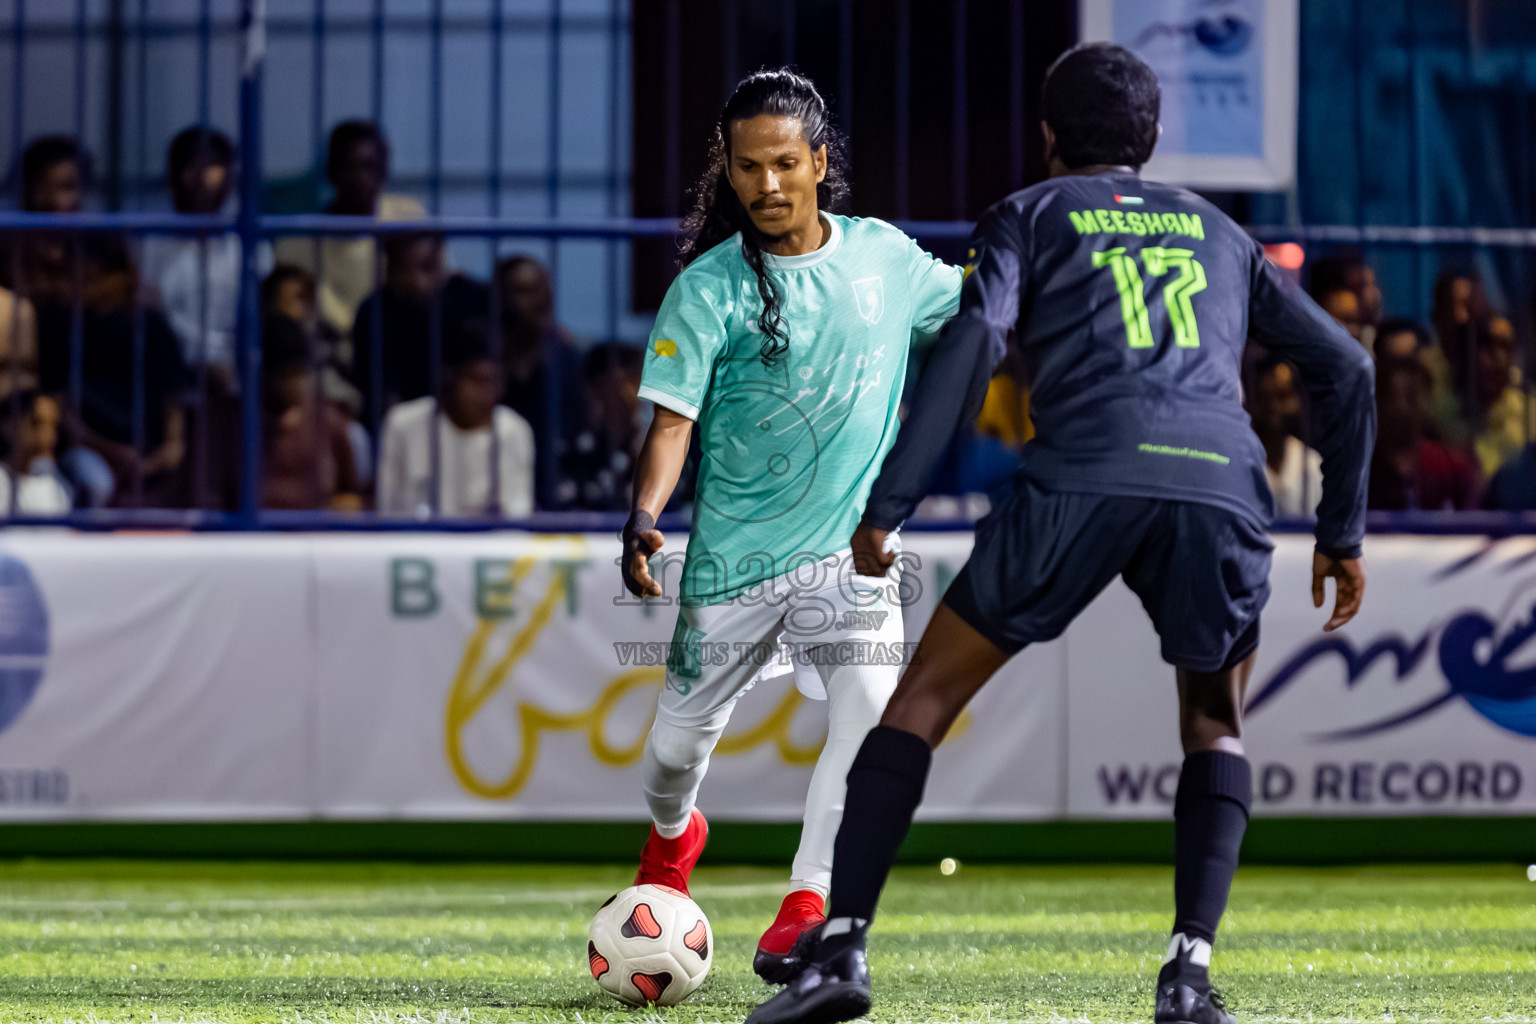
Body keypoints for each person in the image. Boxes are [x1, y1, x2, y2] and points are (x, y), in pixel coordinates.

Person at [747, 44, 1374, 1024]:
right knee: (1214, 723)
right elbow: (1349, 370)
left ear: (1048, 140)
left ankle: (843, 949)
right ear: (1153, 139)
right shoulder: (1220, 232)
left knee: (921, 699)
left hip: (1081, 476)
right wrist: (1341, 532)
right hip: (1221, 487)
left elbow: (978, 340)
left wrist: (891, 501)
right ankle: (1188, 975)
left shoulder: (1030, 215)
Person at [619, 69, 962, 982]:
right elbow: (672, 423)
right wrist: (646, 513)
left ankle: (808, 902)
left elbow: (977, 305)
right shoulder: (707, 290)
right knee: (671, 754)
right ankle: (672, 838)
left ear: (819, 161)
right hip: (733, 564)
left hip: (854, 555)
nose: (767, 185)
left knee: (867, 717)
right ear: (726, 173)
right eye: (747, 168)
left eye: (784, 164)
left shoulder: (887, 260)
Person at [273, 120, 427, 344]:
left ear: (384, 170)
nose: (358, 178)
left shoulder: (410, 220)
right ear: (330, 171)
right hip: (323, 358)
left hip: (397, 350)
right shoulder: (297, 240)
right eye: (348, 166)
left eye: (368, 166)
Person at [377, 323, 534, 518]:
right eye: (477, 380)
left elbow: (517, 517)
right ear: (450, 378)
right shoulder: (403, 424)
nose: (487, 394)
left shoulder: (514, 430)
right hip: (416, 544)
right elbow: (388, 510)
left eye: (494, 381)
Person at [140, 127, 246, 381]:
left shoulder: (243, 242)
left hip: (237, 372)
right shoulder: (150, 241)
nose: (198, 179)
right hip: (169, 368)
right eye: (192, 169)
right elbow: (151, 313)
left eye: (216, 167)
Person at [352, 232, 488, 428]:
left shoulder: (471, 301)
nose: (416, 281)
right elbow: (377, 390)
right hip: (398, 426)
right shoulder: (373, 312)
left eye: (427, 267)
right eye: (402, 269)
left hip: (462, 422)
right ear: (389, 269)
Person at [496, 255, 588, 509]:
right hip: (501, 493)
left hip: (558, 497)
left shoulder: (566, 356)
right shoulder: (488, 358)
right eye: (524, 292)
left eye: (542, 290)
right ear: (502, 298)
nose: (538, 301)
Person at [260, 316, 363, 511]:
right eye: (286, 376)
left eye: (301, 373)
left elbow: (351, 494)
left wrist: (347, 507)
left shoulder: (329, 420)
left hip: (319, 537)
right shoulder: (239, 425)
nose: (296, 384)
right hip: (255, 539)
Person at [1368, 355, 1479, 511]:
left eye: (1410, 397)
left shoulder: (1450, 468)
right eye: (1390, 397)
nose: (1401, 409)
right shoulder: (1363, 470)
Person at [1248, 357, 1323, 517]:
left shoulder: (1312, 465)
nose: (1273, 407)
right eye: (1265, 397)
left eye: (1282, 396)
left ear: (1297, 401)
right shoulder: (1241, 464)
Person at [0, 390, 72, 515]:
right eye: (37, 424)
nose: (49, 437)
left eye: (53, 426)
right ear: (8, 426)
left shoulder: (54, 486)